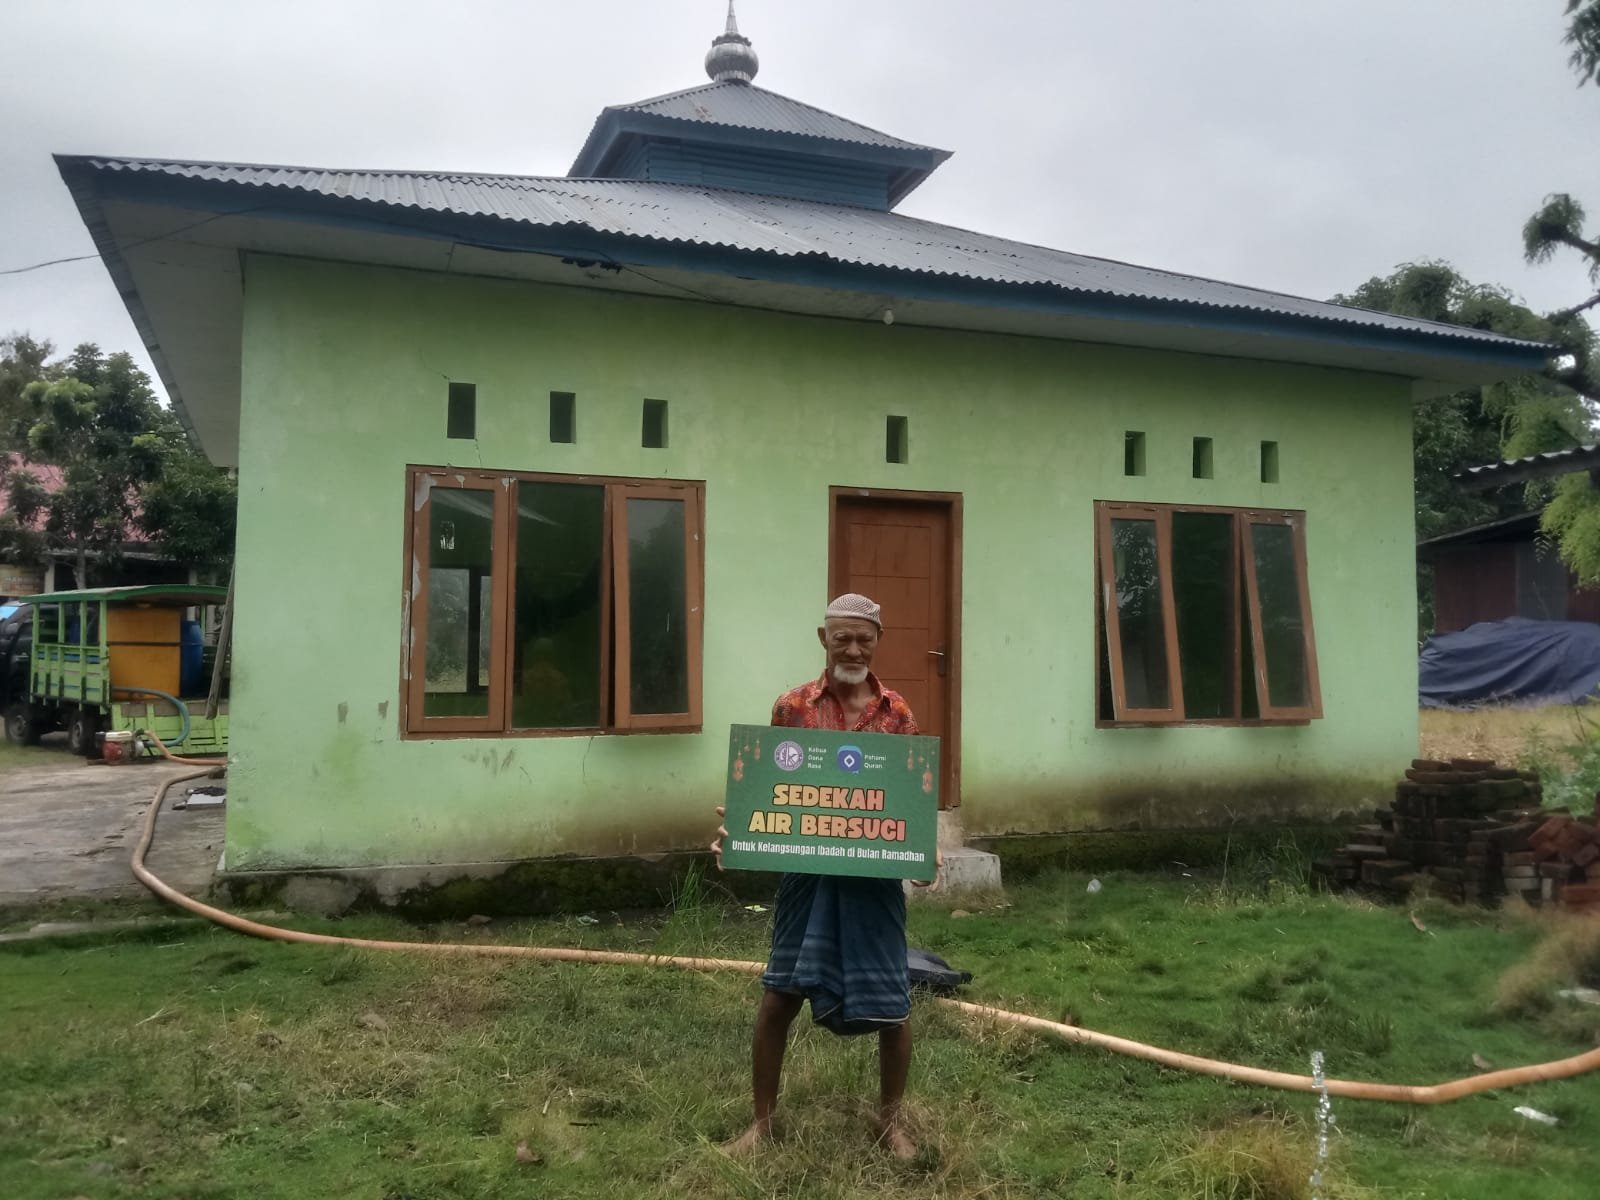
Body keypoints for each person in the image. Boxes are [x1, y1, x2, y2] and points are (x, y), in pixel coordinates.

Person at [711, 593, 938, 1159]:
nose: (853, 650)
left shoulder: (898, 714)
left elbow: (908, 798)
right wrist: (740, 825)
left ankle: (890, 1123)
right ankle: (763, 1123)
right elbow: (767, 788)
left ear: (878, 641)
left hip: (873, 882)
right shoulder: (791, 708)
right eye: (842, 638)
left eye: (864, 639)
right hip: (806, 876)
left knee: (894, 1005)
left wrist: (919, 850)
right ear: (823, 639)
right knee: (778, 997)